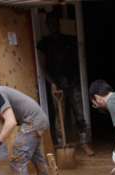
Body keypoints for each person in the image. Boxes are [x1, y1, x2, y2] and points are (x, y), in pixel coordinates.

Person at [36, 10, 94, 157]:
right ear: (46, 25)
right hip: (56, 84)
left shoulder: (69, 40)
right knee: (59, 116)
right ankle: (62, 143)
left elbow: (78, 60)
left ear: (59, 24)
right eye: (50, 23)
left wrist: (75, 80)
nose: (53, 25)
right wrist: (52, 83)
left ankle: (84, 142)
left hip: (72, 81)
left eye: (55, 23)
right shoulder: (44, 43)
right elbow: (42, 67)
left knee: (79, 112)